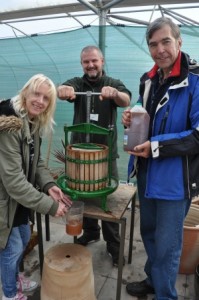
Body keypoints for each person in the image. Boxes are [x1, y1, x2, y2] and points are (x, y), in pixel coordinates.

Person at [122, 17, 199, 299]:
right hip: (146, 171)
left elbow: (197, 136)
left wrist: (155, 145)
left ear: (179, 41)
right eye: (153, 44)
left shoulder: (196, 81)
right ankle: (153, 280)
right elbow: (144, 113)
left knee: (168, 245)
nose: (160, 49)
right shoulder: (148, 79)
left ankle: (166, 295)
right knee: (150, 232)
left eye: (166, 41)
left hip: (175, 179)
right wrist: (131, 118)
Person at [57, 45, 131, 267]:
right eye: (86, 62)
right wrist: (63, 90)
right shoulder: (78, 83)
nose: (90, 65)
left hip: (105, 155)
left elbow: (126, 99)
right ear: (82, 64)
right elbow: (64, 88)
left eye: (94, 61)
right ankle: (90, 232)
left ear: (102, 61)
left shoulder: (112, 82)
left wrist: (114, 94)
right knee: (81, 197)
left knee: (107, 199)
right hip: (80, 155)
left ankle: (114, 245)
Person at [0, 74, 72, 300]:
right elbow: (14, 182)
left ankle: (13, 279)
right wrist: (50, 206)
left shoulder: (32, 121)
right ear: (25, 92)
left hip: (18, 199)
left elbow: (37, 160)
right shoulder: (9, 124)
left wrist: (49, 184)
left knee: (22, 239)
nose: (40, 101)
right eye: (36, 94)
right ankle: (9, 294)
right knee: (10, 250)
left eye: (46, 98)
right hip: (5, 199)